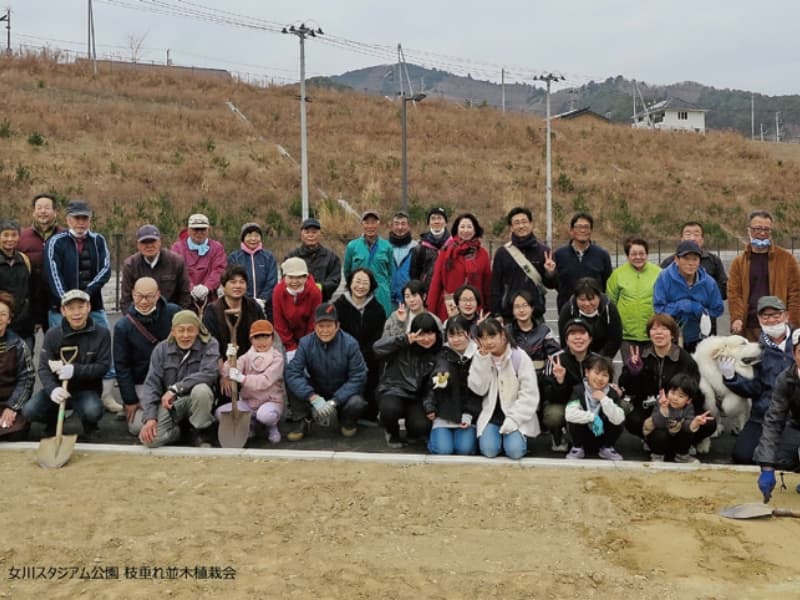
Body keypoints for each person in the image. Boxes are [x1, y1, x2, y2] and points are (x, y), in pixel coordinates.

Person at [43, 199, 119, 412]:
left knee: (104, 348)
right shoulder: (56, 242)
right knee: (60, 353)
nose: (81, 222)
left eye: (85, 218)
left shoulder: (98, 240)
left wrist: (85, 296)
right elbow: (52, 273)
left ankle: (105, 395)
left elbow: (105, 269)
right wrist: (68, 302)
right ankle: (62, 401)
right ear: (68, 219)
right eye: (77, 218)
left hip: (93, 306)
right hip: (62, 309)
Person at [22, 289, 111, 440]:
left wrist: (75, 370)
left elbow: (103, 367)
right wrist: (53, 389)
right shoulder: (53, 335)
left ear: (88, 307)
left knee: (93, 410)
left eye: (80, 307)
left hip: (86, 389)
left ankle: (89, 425)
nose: (76, 313)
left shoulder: (101, 334)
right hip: (58, 389)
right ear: (63, 311)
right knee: (29, 411)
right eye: (71, 308)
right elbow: (44, 368)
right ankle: (54, 420)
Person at [619, 313, 715, 449]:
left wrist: (679, 404)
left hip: (680, 410)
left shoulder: (686, 360)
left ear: (672, 334)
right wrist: (633, 373)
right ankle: (651, 439)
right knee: (633, 420)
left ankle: (686, 441)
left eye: (664, 329)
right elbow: (627, 389)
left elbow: (695, 391)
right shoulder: (641, 357)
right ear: (649, 334)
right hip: (651, 409)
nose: (658, 333)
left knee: (709, 423)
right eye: (654, 329)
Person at [719, 296, 794, 464]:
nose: (771, 320)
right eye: (765, 317)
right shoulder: (756, 350)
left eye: (776, 315)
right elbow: (754, 388)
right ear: (759, 320)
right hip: (763, 415)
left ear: (786, 316)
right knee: (742, 455)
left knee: (785, 459)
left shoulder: (797, 342)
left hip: (794, 416)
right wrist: (731, 377)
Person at [284, 302, 368, 441]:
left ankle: (347, 421)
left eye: (329, 326)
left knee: (357, 403)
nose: (325, 330)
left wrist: (335, 401)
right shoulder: (305, 343)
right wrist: (312, 397)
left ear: (337, 326)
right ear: (314, 326)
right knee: (291, 378)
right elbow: (293, 372)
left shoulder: (350, 344)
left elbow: (359, 376)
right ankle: (302, 421)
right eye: (321, 326)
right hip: (317, 387)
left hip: (342, 389)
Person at [138, 310, 220, 448]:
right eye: (181, 330)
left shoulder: (210, 344)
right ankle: (179, 433)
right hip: (172, 404)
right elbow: (152, 384)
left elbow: (210, 373)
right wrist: (150, 418)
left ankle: (201, 433)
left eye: (190, 330)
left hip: (197, 400)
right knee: (149, 440)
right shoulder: (161, 349)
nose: (185, 335)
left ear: (198, 330)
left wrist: (176, 389)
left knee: (202, 390)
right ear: (173, 331)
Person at [113, 277, 180, 435]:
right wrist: (130, 400)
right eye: (139, 296)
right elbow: (121, 366)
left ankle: (171, 426)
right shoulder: (123, 326)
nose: (143, 301)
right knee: (137, 427)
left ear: (157, 295)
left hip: (171, 380)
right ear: (133, 294)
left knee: (179, 414)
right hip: (141, 382)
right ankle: (168, 428)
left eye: (149, 296)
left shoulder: (174, 313)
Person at [468, 317, 540, 459]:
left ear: (503, 335)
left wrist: (514, 419)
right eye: (483, 337)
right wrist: (481, 360)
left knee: (515, 452)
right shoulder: (480, 357)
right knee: (489, 451)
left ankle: (517, 440)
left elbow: (530, 394)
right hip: (492, 415)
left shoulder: (519, 357)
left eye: (492, 336)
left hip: (516, 414)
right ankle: (497, 440)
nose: (488, 342)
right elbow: (478, 389)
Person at [728, 210, 800, 342]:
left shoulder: (786, 259)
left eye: (766, 230)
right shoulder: (739, 262)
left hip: (778, 326)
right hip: (749, 325)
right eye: (757, 229)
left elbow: (796, 293)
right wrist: (736, 318)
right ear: (748, 230)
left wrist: (793, 321)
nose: (762, 233)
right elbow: (734, 294)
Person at [374, 313, 442, 448]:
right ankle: (392, 432)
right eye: (421, 334)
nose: (426, 339)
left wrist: (429, 406)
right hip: (393, 390)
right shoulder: (402, 345)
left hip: (417, 397)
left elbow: (432, 385)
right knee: (390, 410)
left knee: (421, 426)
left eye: (430, 334)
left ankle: (413, 432)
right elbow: (377, 348)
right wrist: (403, 340)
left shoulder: (439, 353)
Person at [203, 264, 266, 403]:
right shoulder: (213, 311)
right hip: (226, 367)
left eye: (242, 282)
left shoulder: (253, 307)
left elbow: (264, 338)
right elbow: (212, 348)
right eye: (232, 282)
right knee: (227, 398)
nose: (237, 286)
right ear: (223, 286)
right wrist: (223, 375)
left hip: (252, 365)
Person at [423, 316, 482, 455]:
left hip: (469, 416)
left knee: (464, 449)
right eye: (452, 335)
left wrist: (469, 414)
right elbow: (431, 385)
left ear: (468, 333)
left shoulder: (479, 356)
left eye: (460, 334)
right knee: (444, 450)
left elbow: (480, 391)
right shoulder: (441, 356)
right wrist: (429, 406)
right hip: (444, 414)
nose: (456, 339)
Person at [334, 268, 387, 422]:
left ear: (371, 286)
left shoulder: (377, 309)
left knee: (372, 376)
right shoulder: (338, 306)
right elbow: (335, 333)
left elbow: (379, 336)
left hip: (369, 356)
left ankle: (370, 414)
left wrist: (365, 353)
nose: (361, 286)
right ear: (350, 283)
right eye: (357, 281)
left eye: (365, 283)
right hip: (343, 355)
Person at [219, 319, 284, 444]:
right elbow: (229, 371)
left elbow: (265, 381)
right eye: (257, 338)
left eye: (265, 337)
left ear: (272, 338)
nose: (261, 342)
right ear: (251, 340)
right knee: (220, 413)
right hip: (249, 402)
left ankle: (271, 426)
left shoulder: (277, 358)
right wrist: (230, 359)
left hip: (270, 402)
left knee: (265, 416)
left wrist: (242, 378)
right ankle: (250, 424)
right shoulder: (246, 357)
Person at [754, 328, 800, 502]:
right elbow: (774, 420)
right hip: (797, 426)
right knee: (779, 457)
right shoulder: (785, 379)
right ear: (794, 353)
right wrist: (767, 466)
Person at [653, 240, 724, 352]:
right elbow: (658, 308)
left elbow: (718, 309)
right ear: (676, 259)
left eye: (695, 259)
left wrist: (700, 310)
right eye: (686, 258)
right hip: (671, 337)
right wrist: (679, 306)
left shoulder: (709, 282)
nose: (691, 263)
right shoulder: (664, 278)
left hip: (699, 337)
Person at [489, 206, 556, 322]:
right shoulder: (502, 253)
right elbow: (496, 286)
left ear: (531, 224)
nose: (521, 226)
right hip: (509, 315)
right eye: (516, 223)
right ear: (511, 227)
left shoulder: (544, 252)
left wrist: (550, 273)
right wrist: (496, 313)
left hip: (536, 315)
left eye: (524, 222)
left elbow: (551, 285)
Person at [660, 221, 727, 334]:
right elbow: (660, 299)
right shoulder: (668, 264)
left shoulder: (713, 261)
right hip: (674, 326)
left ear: (702, 239)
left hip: (705, 325)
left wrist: (701, 301)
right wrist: (680, 303)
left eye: (696, 234)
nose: (692, 237)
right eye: (688, 234)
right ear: (681, 238)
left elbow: (723, 291)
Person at [540, 318, 596, 452]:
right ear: (566, 339)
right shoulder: (555, 360)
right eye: (572, 334)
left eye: (582, 333)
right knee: (553, 415)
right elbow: (548, 395)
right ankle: (558, 436)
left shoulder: (597, 360)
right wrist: (560, 382)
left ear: (590, 338)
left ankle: (602, 440)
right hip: (563, 403)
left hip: (590, 404)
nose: (578, 337)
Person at [428, 213, 491, 322]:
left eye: (469, 227)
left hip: (475, 309)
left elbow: (487, 285)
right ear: (456, 229)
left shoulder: (482, 254)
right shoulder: (446, 251)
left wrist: (489, 310)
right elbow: (436, 283)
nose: (466, 230)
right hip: (449, 308)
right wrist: (430, 312)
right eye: (462, 227)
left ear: (475, 230)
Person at [606, 237, 661, 358]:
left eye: (642, 253)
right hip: (627, 336)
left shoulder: (659, 273)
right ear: (627, 256)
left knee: (652, 371)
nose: (638, 257)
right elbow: (610, 302)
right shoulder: (618, 274)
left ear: (647, 254)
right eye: (634, 254)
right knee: (631, 371)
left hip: (653, 333)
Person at [18, 193, 63, 335]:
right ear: (33, 212)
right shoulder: (21, 236)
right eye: (39, 208)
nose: (43, 211)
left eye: (47, 208)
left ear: (55, 212)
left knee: (59, 347)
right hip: (30, 302)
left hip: (57, 302)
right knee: (25, 349)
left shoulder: (65, 236)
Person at [565, 354, 625, 460]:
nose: (600, 378)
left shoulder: (611, 393)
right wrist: (593, 417)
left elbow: (619, 419)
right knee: (574, 418)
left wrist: (604, 399)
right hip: (583, 435)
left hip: (603, 435)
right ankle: (577, 448)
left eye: (605, 375)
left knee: (617, 414)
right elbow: (569, 414)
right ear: (587, 372)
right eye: (596, 373)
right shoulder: (578, 390)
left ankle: (607, 448)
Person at [120, 224, 192, 312]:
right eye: (144, 242)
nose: (149, 245)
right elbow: (126, 300)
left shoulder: (176, 262)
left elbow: (185, 295)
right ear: (137, 245)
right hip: (140, 316)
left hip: (171, 316)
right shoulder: (130, 265)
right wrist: (134, 322)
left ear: (160, 242)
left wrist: (178, 320)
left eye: (152, 241)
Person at [643, 373, 714, 463]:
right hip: (660, 439)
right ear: (668, 391)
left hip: (676, 439)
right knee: (659, 433)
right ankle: (657, 456)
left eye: (681, 396)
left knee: (687, 432)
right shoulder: (662, 402)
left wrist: (695, 422)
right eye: (672, 393)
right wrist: (664, 409)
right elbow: (658, 423)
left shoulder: (688, 407)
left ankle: (682, 456)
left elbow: (687, 426)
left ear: (688, 400)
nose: (675, 398)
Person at [553, 212, 613, 312]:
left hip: (595, 311)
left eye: (586, 227)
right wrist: (550, 273)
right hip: (567, 311)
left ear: (591, 231)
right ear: (571, 230)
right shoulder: (559, 255)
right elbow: (554, 283)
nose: (583, 230)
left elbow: (607, 283)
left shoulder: (602, 255)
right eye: (579, 227)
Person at [170, 213, 227, 312]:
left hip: (211, 299)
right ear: (188, 230)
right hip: (184, 299)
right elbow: (176, 272)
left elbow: (219, 269)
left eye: (203, 229)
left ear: (208, 230)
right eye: (195, 229)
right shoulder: (177, 248)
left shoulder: (217, 248)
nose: (199, 232)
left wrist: (207, 287)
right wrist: (191, 288)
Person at [343, 210, 394, 317]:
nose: (370, 226)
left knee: (382, 325)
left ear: (378, 223)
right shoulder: (352, 246)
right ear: (362, 224)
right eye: (367, 222)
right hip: (359, 292)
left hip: (381, 293)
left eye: (373, 222)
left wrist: (383, 287)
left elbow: (391, 273)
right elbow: (347, 271)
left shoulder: (387, 246)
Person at [558, 277, 622, 359]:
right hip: (575, 356)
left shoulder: (609, 309)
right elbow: (564, 340)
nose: (587, 304)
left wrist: (600, 360)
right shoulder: (567, 310)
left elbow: (615, 339)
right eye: (582, 299)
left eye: (591, 299)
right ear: (576, 298)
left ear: (599, 297)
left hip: (603, 356)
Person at [0, 292, 35, 441]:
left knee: (15, 431)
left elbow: (27, 379)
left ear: (9, 319)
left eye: (2, 314)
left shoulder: (19, 345)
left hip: (8, 400)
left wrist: (12, 406)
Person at [272, 256, 322, 360]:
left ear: (305, 277)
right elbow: (279, 322)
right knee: (289, 365)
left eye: (299, 277)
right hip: (286, 336)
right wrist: (291, 347)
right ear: (284, 277)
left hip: (309, 335)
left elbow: (313, 320)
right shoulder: (278, 292)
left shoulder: (315, 292)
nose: (294, 281)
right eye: (290, 277)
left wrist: (305, 344)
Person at [227, 222, 278, 320]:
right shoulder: (235, 257)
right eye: (249, 235)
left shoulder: (268, 257)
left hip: (266, 306)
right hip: (241, 304)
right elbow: (233, 280)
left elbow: (272, 281)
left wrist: (262, 300)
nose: (253, 239)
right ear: (243, 238)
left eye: (256, 235)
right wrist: (249, 301)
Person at [284, 218, 342, 302]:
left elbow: (334, 280)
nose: (310, 235)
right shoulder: (292, 256)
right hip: (296, 302)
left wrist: (319, 287)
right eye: (307, 232)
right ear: (301, 235)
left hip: (322, 301)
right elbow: (284, 278)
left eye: (314, 232)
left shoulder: (331, 257)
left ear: (320, 234)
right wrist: (300, 287)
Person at [505, 290, 559, 376]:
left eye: (525, 306)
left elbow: (555, 354)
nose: (521, 310)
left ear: (532, 308)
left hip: (541, 377)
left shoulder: (544, 331)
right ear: (512, 310)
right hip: (513, 377)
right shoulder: (506, 332)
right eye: (517, 307)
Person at [0, 219, 33, 350]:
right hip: (2, 323)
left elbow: (31, 289)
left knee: (26, 361)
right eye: (5, 235)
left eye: (14, 235)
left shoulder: (24, 259)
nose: (10, 239)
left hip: (24, 324)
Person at [409, 207, 450, 293]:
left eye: (440, 218)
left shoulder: (453, 245)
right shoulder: (420, 247)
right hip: (427, 293)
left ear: (445, 222)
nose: (436, 221)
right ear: (429, 223)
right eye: (433, 218)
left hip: (449, 292)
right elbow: (414, 276)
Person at [388, 211, 418, 308]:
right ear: (392, 226)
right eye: (396, 224)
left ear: (409, 226)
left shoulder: (417, 248)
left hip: (410, 300)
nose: (400, 227)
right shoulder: (384, 247)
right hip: (388, 300)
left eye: (403, 224)